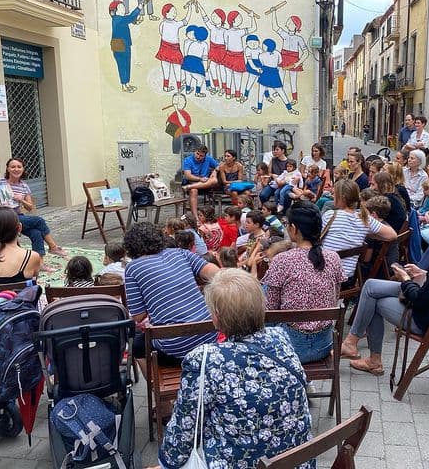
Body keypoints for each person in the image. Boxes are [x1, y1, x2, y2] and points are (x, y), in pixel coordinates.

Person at [156, 268, 313, 469]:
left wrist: (165, 463)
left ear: (217, 317)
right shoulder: (280, 337)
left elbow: (184, 427)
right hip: (295, 463)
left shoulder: (205, 358)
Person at [340, 198, 429, 374]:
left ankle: (371, 358)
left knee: (375, 303)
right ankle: (351, 343)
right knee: (370, 286)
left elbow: (420, 300)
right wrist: (424, 275)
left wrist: (406, 279)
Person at [123, 222, 219, 362]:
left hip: (173, 345)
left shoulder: (133, 268)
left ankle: (153, 383)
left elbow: (138, 316)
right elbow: (215, 273)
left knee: (137, 347)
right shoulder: (181, 253)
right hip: (209, 334)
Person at [263, 201, 345, 363]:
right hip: (324, 344)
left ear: (294, 229)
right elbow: (335, 297)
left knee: (264, 297)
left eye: (287, 224)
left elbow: (270, 309)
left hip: (290, 346)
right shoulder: (333, 258)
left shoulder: (282, 260)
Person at [0, 157, 67, 272]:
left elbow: (30, 207)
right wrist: (4, 205)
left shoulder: (24, 186)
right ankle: (53, 247)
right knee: (39, 221)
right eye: (13, 167)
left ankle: (39, 264)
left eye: (19, 167)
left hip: (18, 217)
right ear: (8, 168)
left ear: (22, 169)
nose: (16, 169)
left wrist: (21, 200)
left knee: (36, 233)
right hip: (4, 217)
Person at [321, 179, 397, 279]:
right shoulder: (365, 219)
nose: (333, 196)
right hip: (347, 276)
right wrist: (364, 232)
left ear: (342, 198)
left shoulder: (330, 215)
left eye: (335, 194)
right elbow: (392, 235)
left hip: (325, 274)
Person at [181, 145, 220, 218]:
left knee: (214, 180)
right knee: (193, 190)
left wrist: (215, 171)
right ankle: (196, 218)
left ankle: (188, 187)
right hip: (192, 181)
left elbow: (218, 166)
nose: (198, 157)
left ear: (205, 156)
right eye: (197, 154)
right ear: (194, 152)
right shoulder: (188, 160)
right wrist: (199, 179)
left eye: (201, 156)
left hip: (204, 183)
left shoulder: (208, 159)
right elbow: (188, 176)